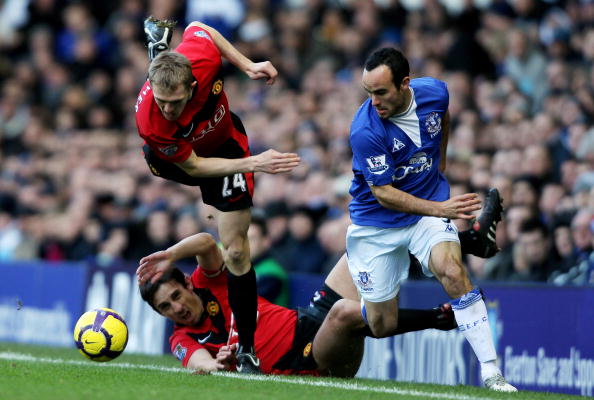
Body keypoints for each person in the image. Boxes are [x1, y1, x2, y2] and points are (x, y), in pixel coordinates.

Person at [135, 17, 300, 373]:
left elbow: (201, 28)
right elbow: (194, 169)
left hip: (226, 146)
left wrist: (248, 64)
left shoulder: (202, 60)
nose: (167, 110)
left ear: (193, 84)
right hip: (183, 160)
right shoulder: (153, 122)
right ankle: (158, 55)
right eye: (162, 100)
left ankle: (246, 351)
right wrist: (255, 163)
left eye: (175, 102)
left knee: (237, 250)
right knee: (155, 158)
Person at [346, 48, 516, 392]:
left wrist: (440, 163)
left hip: (429, 206)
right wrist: (443, 210)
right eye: (368, 92)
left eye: (381, 92)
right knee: (380, 324)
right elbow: (384, 194)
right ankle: (450, 246)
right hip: (376, 224)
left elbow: (444, 118)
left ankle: (491, 372)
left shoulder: (435, 92)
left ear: (405, 84)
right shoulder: (366, 129)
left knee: (452, 271)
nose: (374, 101)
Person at [137, 232, 458, 376]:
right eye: (165, 307)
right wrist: (217, 364)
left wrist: (170, 254)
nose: (176, 308)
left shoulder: (210, 282)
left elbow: (207, 243)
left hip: (309, 318)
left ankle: (465, 241)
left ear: (188, 283)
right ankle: (439, 318)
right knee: (344, 312)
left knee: (365, 247)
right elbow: (198, 364)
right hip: (308, 359)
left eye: (176, 296)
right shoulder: (184, 338)